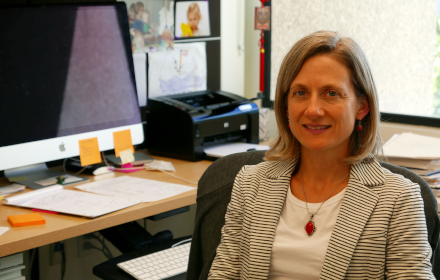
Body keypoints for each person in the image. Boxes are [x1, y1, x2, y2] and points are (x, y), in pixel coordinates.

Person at [208, 31, 434, 279]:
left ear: (362, 106)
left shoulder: (398, 199)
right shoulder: (250, 184)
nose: (313, 110)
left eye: (331, 93)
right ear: (285, 106)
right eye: (301, 93)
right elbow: (224, 273)